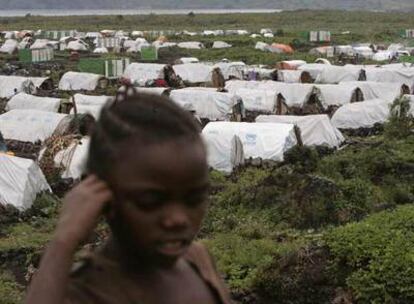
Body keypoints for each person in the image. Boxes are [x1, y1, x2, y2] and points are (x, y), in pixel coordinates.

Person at [25, 91, 232, 304]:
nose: (178, 219)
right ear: (99, 193)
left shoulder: (197, 261)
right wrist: (63, 242)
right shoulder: (88, 293)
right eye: (150, 201)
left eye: (194, 199)